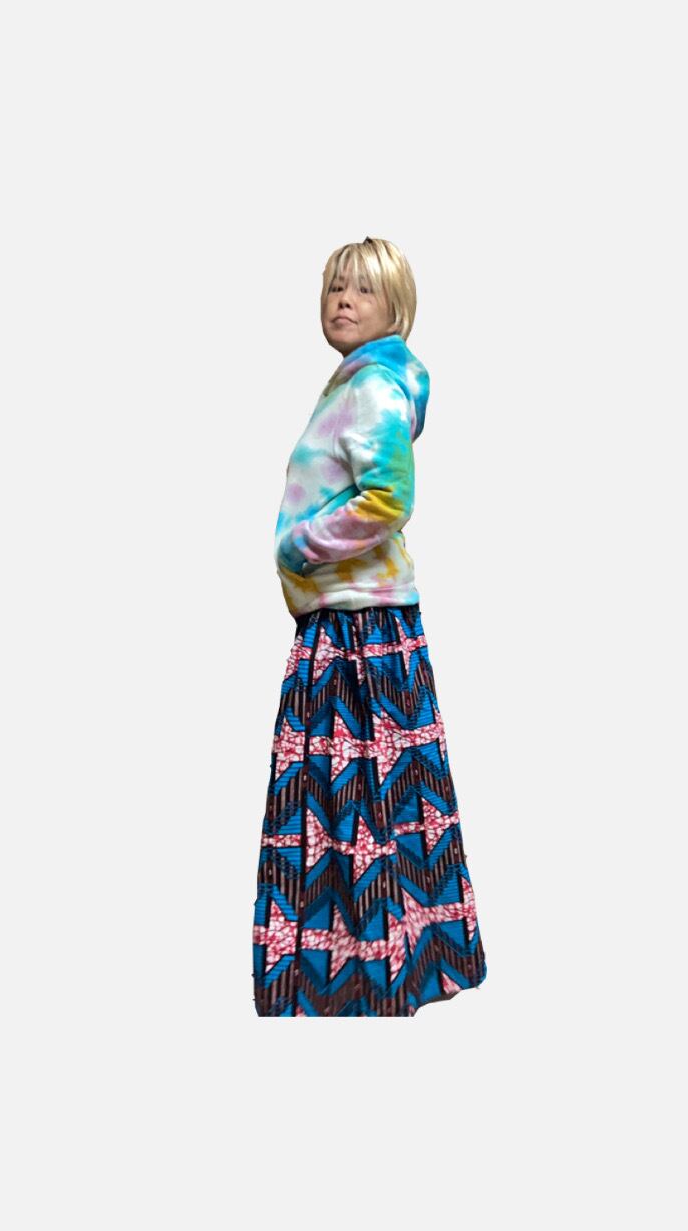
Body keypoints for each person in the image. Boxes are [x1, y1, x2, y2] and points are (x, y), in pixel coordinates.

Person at [252, 236, 488, 1017]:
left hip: (358, 631)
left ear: (396, 308)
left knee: (350, 808)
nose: (343, 301)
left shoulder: (373, 389)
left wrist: (300, 545)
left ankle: (361, 980)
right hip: (357, 621)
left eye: (362, 290)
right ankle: (398, 966)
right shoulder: (358, 384)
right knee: (379, 808)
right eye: (334, 289)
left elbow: (387, 499)